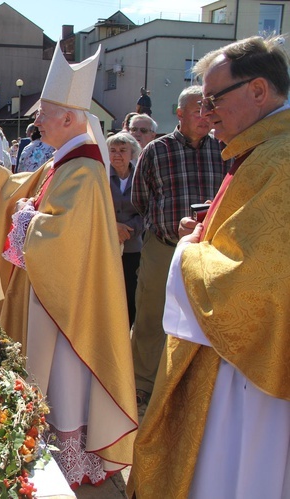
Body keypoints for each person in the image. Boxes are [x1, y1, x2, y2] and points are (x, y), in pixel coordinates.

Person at [0, 44, 137, 488]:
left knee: (63, 374)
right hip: (48, 293)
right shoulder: (66, 160)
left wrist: (26, 219)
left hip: (66, 304)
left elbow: (62, 235)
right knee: (52, 372)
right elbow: (24, 189)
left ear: (69, 118)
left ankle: (67, 451)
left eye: (43, 112)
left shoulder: (85, 167)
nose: (35, 119)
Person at [129, 35, 290, 498]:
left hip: (249, 367)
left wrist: (190, 250)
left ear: (258, 90)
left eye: (214, 99)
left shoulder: (279, 160)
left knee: (234, 471)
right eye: (200, 101)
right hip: (233, 354)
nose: (205, 112)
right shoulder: (259, 151)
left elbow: (257, 282)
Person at [129, 86, 230, 408]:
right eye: (198, 109)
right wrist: (167, 224)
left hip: (210, 251)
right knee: (151, 316)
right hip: (163, 246)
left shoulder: (224, 150)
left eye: (209, 109)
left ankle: (191, 386)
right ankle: (142, 384)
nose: (205, 116)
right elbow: (140, 199)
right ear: (180, 114)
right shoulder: (157, 150)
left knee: (203, 318)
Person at [106, 132, 142, 326]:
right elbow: (95, 205)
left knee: (130, 293)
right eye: (113, 150)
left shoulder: (141, 176)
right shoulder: (101, 175)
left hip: (132, 245)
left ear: (132, 153)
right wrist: (113, 226)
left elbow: (147, 208)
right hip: (106, 245)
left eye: (122, 150)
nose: (117, 155)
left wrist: (128, 229)